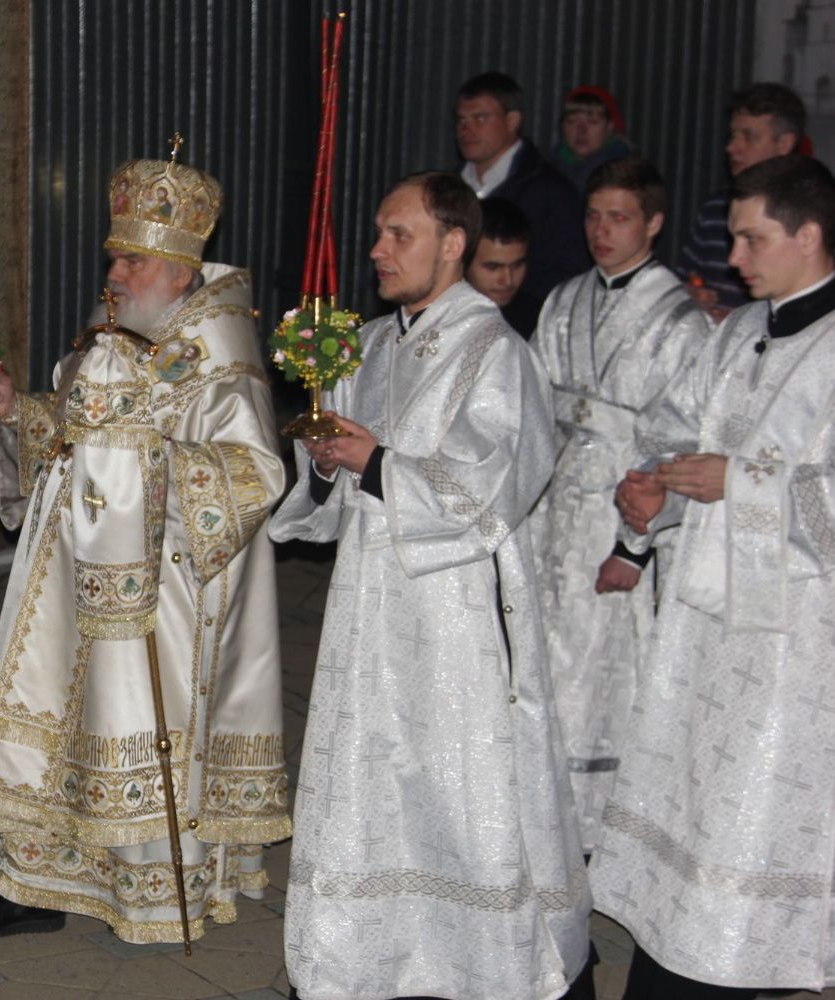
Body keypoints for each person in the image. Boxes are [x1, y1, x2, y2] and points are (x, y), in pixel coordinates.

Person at [0, 149, 290, 944]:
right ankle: (34, 881)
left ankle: (146, 890)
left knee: (124, 723)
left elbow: (255, 474)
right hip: (70, 573)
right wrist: (18, 412)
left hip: (162, 596)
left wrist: (146, 464)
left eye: (132, 260)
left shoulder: (221, 361)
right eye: (115, 256)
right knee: (54, 718)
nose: (114, 273)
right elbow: (73, 434)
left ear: (179, 271)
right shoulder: (115, 334)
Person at [270, 171, 593, 1000]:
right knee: (372, 774)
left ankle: (478, 965)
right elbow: (334, 492)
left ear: (453, 244)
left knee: (457, 785)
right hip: (370, 607)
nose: (378, 250)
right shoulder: (372, 343)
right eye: (378, 232)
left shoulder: (495, 352)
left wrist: (375, 459)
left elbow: (495, 482)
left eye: (399, 234)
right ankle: (363, 959)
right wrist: (326, 458)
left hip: (456, 618)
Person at [591, 154, 835, 997]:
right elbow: (677, 429)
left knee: (750, 818)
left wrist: (745, 482)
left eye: (751, 238)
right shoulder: (734, 333)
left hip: (790, 644)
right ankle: (676, 955)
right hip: (700, 624)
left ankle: (735, 966)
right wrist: (656, 490)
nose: (732, 258)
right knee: (689, 803)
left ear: (810, 235)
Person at [528, 156, 711, 855]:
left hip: (619, 514)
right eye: (593, 216)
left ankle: (601, 830)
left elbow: (680, 441)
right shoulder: (564, 300)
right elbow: (533, 407)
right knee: (545, 659)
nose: (601, 231)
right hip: (551, 511)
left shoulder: (681, 322)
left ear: (654, 223)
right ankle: (541, 813)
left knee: (605, 667)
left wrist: (634, 547)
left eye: (620, 218)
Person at [675, 82, 806, 321]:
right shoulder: (715, 208)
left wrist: (741, 325)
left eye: (749, 136)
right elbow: (684, 278)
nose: (731, 147)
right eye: (733, 135)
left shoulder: (810, 214)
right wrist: (690, 296)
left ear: (784, 144)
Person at [455, 71, 588, 300]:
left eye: (480, 118)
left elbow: (568, 279)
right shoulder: (446, 189)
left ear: (512, 121)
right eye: (461, 120)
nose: (466, 130)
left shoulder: (552, 192)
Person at [468, 196, 543, 338]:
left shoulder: (540, 321)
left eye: (517, 265)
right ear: (464, 260)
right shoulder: (437, 314)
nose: (508, 280)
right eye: (493, 267)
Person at [551, 85, 633, 192]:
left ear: (610, 127)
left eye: (592, 122)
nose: (581, 130)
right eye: (571, 121)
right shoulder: (549, 169)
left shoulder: (623, 176)